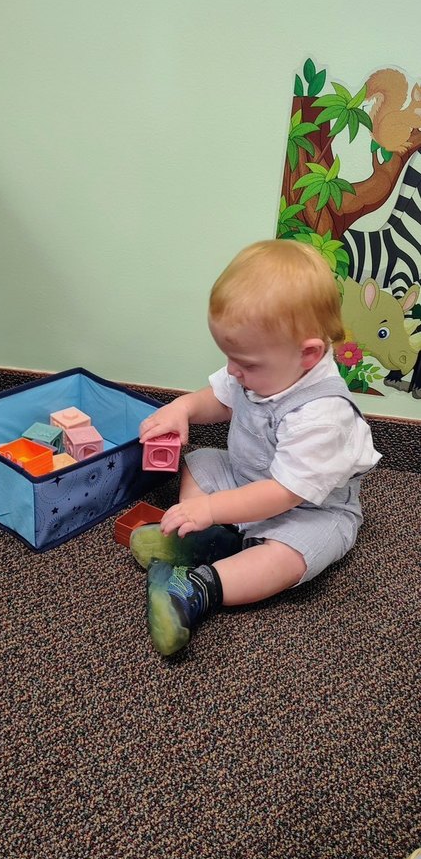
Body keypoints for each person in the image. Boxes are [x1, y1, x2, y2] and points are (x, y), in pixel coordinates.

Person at [129, 239, 381, 656]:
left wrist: (209, 507)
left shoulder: (323, 415)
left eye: (245, 364)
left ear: (309, 354)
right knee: (201, 462)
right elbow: (220, 399)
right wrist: (183, 408)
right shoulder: (263, 366)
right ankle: (211, 538)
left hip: (308, 510)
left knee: (288, 558)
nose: (233, 370)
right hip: (246, 477)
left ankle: (200, 588)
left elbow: (283, 494)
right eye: (229, 357)